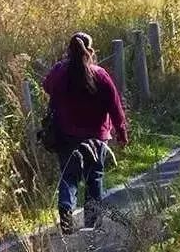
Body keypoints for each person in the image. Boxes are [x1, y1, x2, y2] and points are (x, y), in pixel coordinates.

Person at [43, 32, 128, 235]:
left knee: (69, 175)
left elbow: (47, 86)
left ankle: (65, 206)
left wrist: (60, 67)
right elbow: (115, 105)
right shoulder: (100, 74)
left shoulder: (60, 72)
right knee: (94, 177)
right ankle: (91, 223)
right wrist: (121, 132)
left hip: (66, 134)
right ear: (90, 51)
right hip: (96, 136)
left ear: (69, 51)